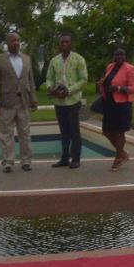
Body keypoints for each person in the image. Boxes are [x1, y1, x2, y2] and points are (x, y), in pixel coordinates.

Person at [0, 32, 37, 173]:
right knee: (6, 134)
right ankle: (8, 162)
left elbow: (30, 80)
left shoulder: (27, 59)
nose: (16, 43)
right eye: (13, 40)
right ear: (7, 43)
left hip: (24, 102)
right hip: (6, 103)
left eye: (18, 40)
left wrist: (33, 99)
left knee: (25, 133)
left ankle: (26, 161)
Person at [45, 33, 87, 168]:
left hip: (73, 101)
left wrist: (69, 91)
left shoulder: (79, 59)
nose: (64, 44)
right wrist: (51, 88)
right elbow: (49, 78)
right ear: (59, 44)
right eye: (62, 42)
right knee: (64, 132)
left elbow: (83, 79)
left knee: (74, 131)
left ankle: (76, 159)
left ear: (71, 44)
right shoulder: (54, 61)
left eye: (67, 42)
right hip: (59, 102)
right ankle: (64, 158)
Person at [97, 47, 134, 171]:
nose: (119, 57)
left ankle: (119, 158)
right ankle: (122, 153)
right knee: (106, 131)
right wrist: (102, 83)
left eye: (122, 55)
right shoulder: (110, 67)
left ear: (125, 56)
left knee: (119, 132)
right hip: (109, 104)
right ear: (114, 56)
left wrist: (119, 88)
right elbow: (107, 81)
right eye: (117, 55)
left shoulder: (130, 69)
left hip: (122, 105)